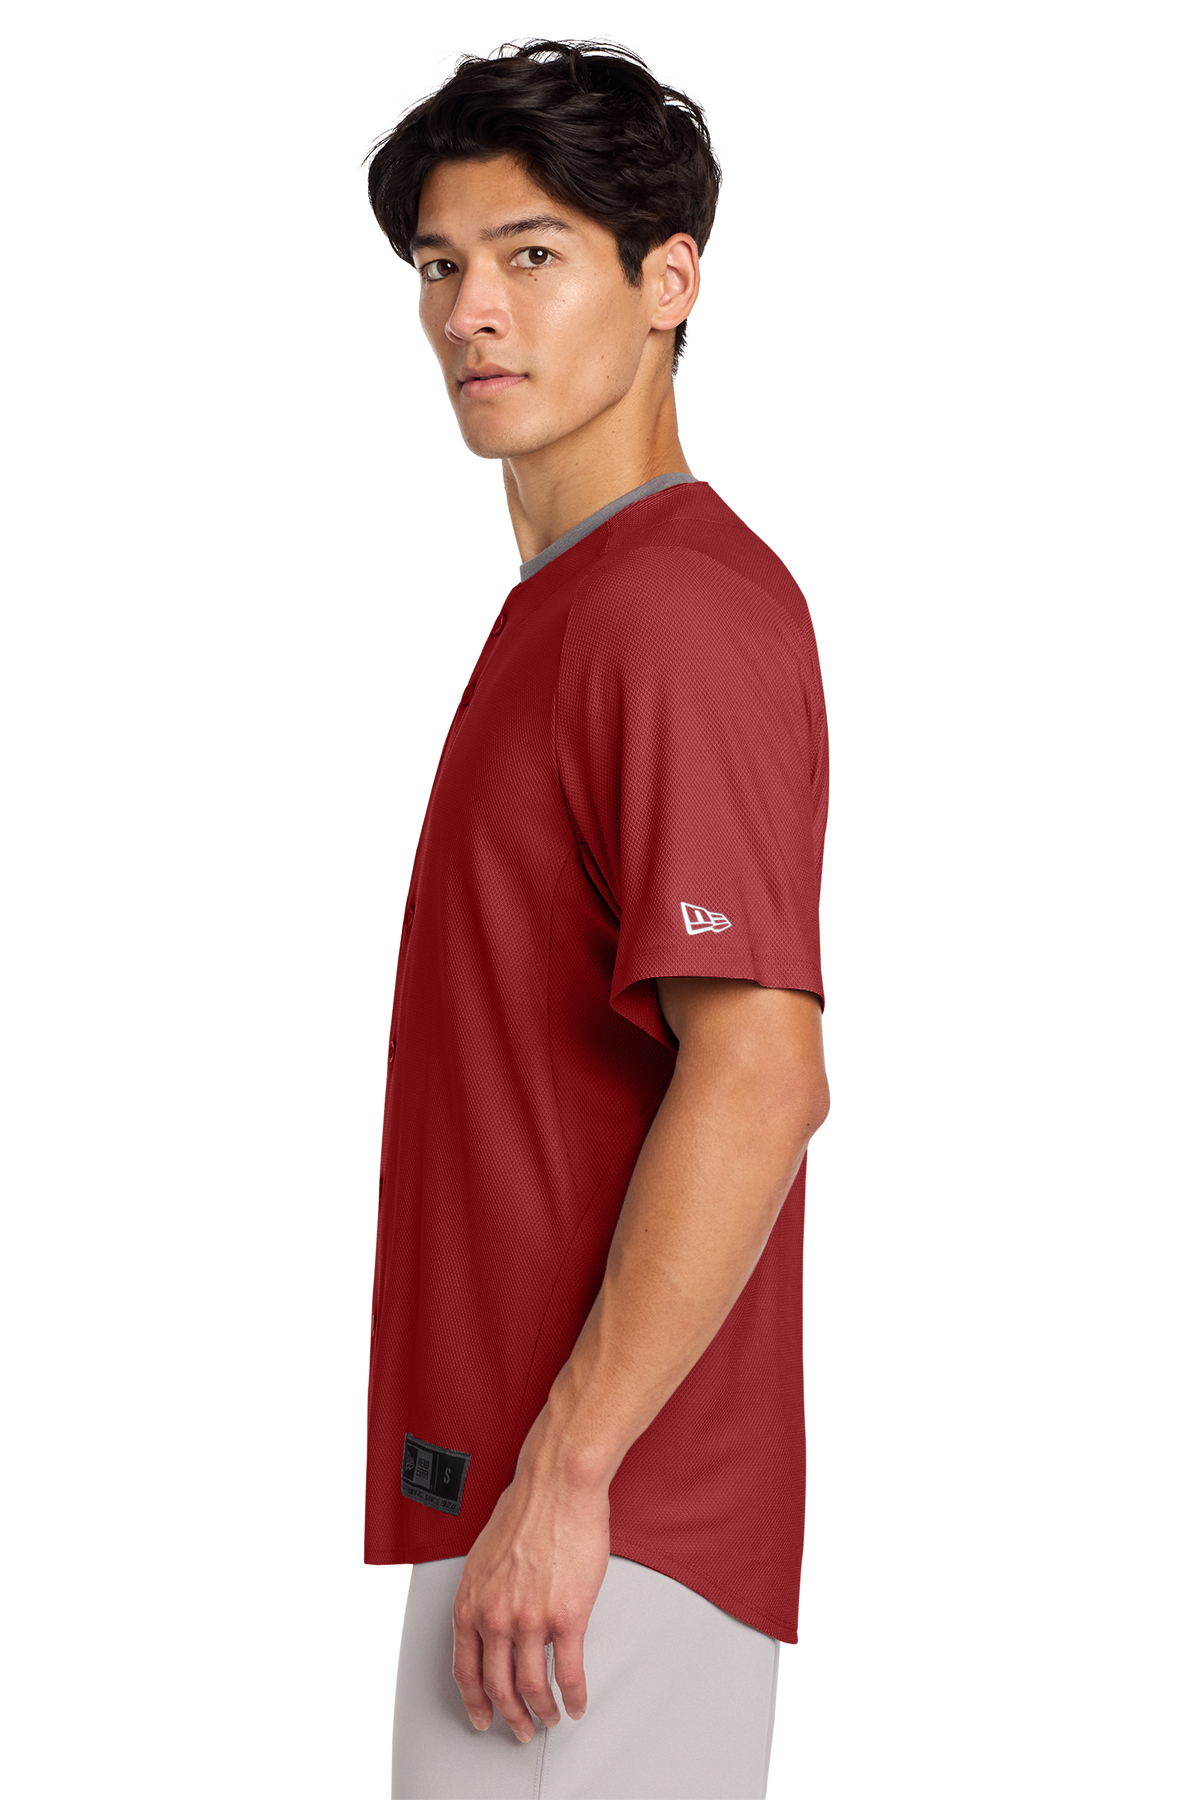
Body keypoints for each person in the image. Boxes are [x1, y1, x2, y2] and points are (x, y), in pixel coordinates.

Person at [363, 40, 830, 1800]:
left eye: (533, 253)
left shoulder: (672, 612)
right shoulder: (572, 608)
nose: (470, 310)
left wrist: (567, 1478)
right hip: (534, 1514)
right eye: (441, 262)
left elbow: (762, 1073)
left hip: (602, 1535)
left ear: (669, 282)